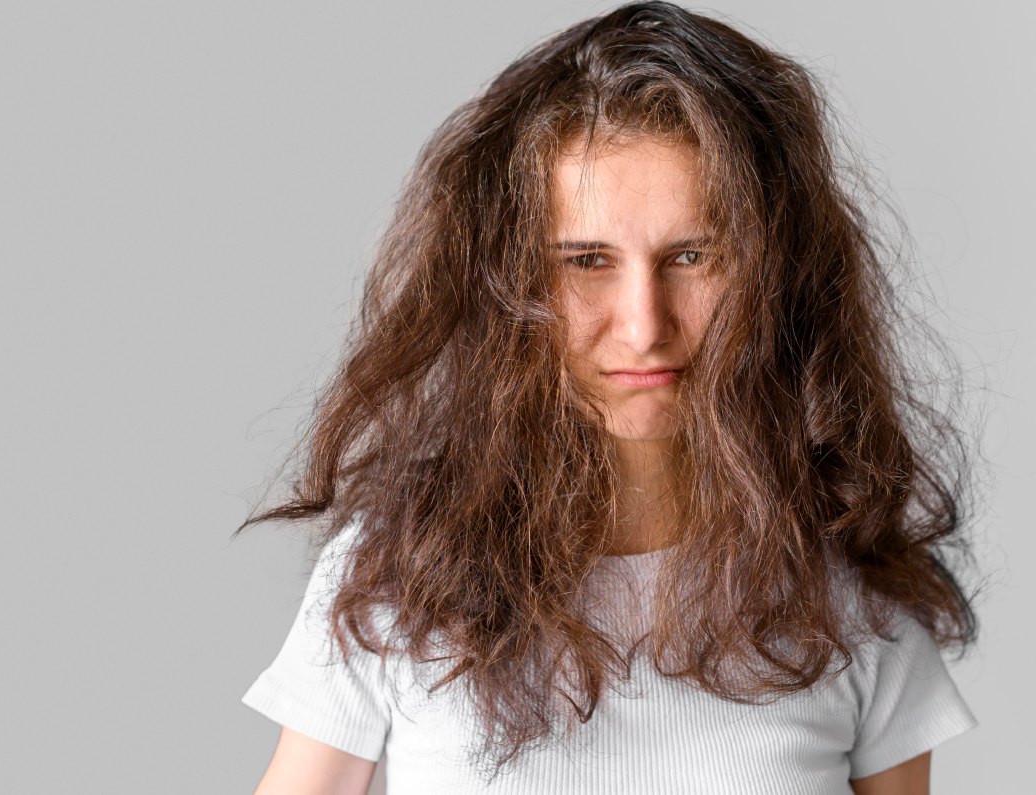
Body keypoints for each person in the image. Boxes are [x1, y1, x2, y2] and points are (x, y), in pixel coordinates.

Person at [236, 2, 983, 793]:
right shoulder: (395, 575)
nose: (643, 326)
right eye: (586, 259)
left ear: (777, 277)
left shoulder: (859, 593)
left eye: (692, 256)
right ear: (508, 282)